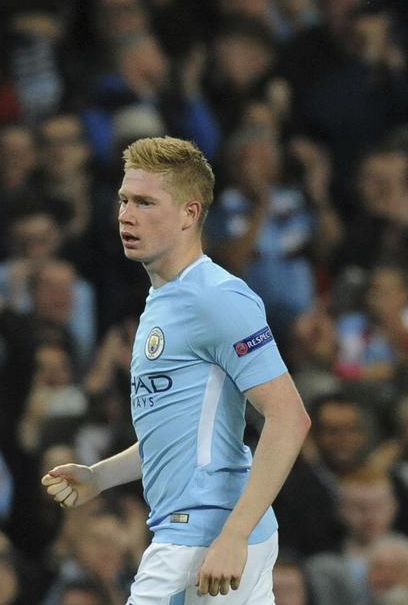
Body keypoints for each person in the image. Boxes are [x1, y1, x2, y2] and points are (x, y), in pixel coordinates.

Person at [41, 137, 310, 603]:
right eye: (124, 200)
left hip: (202, 537)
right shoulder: (163, 300)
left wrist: (233, 535)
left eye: (145, 203)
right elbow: (180, 435)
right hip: (208, 531)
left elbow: (289, 418)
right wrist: (100, 476)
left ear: (189, 213)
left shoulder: (217, 297)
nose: (126, 215)